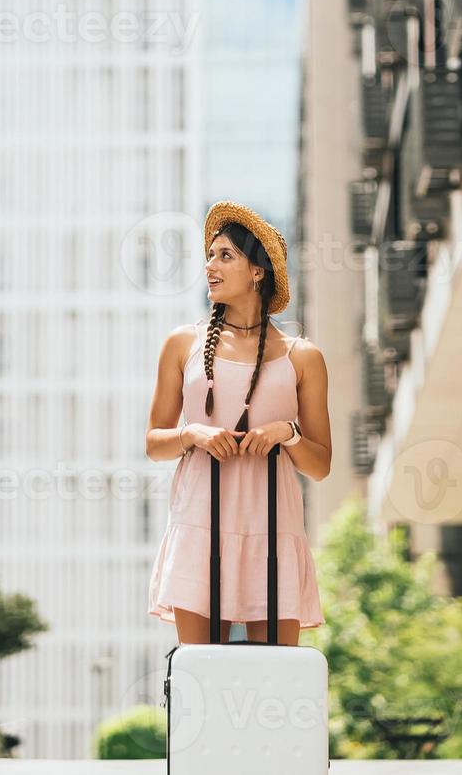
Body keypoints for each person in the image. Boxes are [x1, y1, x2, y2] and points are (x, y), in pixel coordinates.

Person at [144, 201, 332, 646]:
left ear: (258, 272)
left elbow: (321, 464)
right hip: (199, 525)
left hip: (274, 529)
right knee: (202, 682)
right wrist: (192, 434)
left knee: (277, 683)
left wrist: (286, 433)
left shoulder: (303, 356)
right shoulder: (182, 344)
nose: (210, 265)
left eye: (225, 255)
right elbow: (154, 442)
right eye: (210, 255)